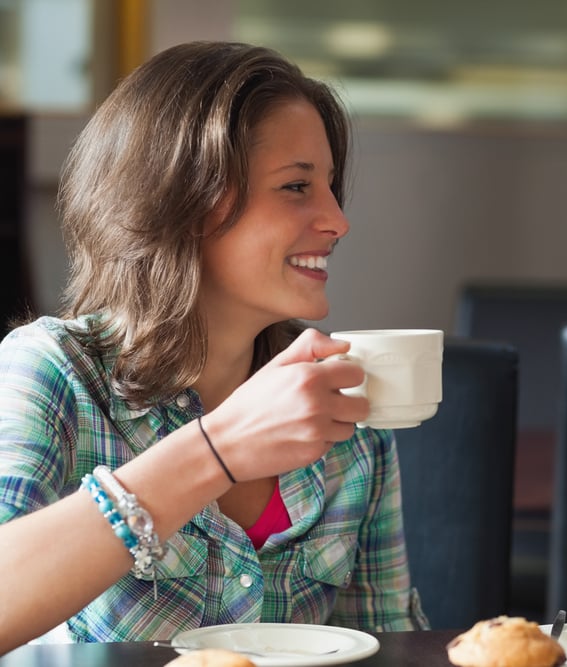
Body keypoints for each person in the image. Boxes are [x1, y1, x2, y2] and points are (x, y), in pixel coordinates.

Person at [0, 41, 428, 654]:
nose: (338, 220)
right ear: (187, 199)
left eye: (331, 187)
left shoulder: (348, 416)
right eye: (296, 186)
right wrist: (217, 449)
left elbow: (393, 648)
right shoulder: (56, 373)